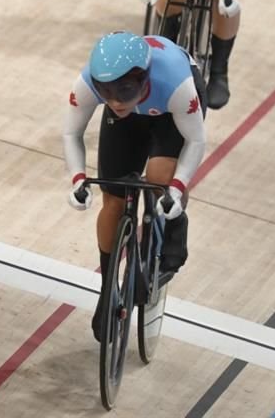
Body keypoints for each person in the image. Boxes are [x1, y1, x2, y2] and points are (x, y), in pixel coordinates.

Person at [63, 31, 206, 341]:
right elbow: (71, 134)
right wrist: (77, 179)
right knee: (113, 199)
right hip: (133, 117)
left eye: (123, 92)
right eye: (107, 94)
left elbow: (196, 140)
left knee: (159, 176)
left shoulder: (177, 85)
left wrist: (177, 190)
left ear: (143, 81)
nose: (114, 101)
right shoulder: (90, 83)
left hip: (170, 112)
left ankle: (175, 226)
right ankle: (107, 289)